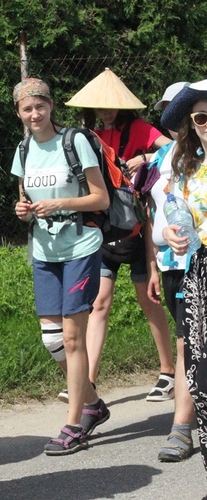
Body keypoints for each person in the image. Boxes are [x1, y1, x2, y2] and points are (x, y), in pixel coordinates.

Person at [11, 78, 110, 456]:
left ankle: (74, 425)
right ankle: (94, 404)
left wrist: (61, 203)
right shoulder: (22, 149)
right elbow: (24, 203)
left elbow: (99, 197)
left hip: (81, 247)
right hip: (44, 252)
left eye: (40, 106)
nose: (34, 114)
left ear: (51, 106)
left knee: (71, 338)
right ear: (19, 114)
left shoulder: (75, 141)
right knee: (52, 341)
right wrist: (22, 211)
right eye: (26, 109)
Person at [66, 68, 175, 402]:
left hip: (141, 229)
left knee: (148, 300)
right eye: (101, 106)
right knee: (98, 302)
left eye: (112, 106)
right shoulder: (87, 135)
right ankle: (88, 381)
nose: (106, 111)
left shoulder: (141, 129)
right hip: (104, 229)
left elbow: (173, 147)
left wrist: (145, 157)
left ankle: (168, 371)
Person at [145, 81, 197, 462]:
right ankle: (181, 427)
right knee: (186, 344)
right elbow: (157, 219)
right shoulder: (166, 161)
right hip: (180, 267)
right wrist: (155, 254)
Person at [160, 79, 207, 473]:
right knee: (198, 364)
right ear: (193, 124)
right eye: (203, 118)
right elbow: (172, 222)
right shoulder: (187, 169)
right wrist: (171, 234)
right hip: (200, 273)